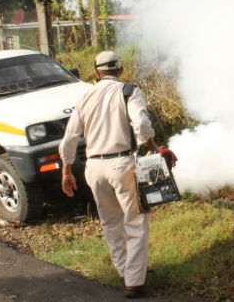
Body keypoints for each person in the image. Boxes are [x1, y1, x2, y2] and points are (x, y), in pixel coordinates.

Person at [59, 50, 167, 298]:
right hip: (122, 164)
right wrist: (153, 147)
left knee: (110, 222)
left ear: (96, 73)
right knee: (136, 221)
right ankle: (134, 281)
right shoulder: (128, 91)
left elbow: (69, 138)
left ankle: (124, 270)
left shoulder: (84, 96)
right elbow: (140, 124)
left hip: (94, 167)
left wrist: (66, 171)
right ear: (121, 70)